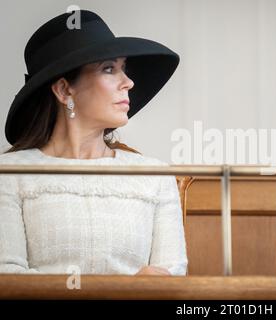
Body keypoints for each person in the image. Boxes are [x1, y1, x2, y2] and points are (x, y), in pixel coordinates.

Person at [0, 10, 187, 275]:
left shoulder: (155, 176)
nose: (129, 82)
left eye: (124, 68)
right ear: (65, 90)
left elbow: (172, 275)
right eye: (109, 68)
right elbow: (8, 278)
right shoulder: (9, 173)